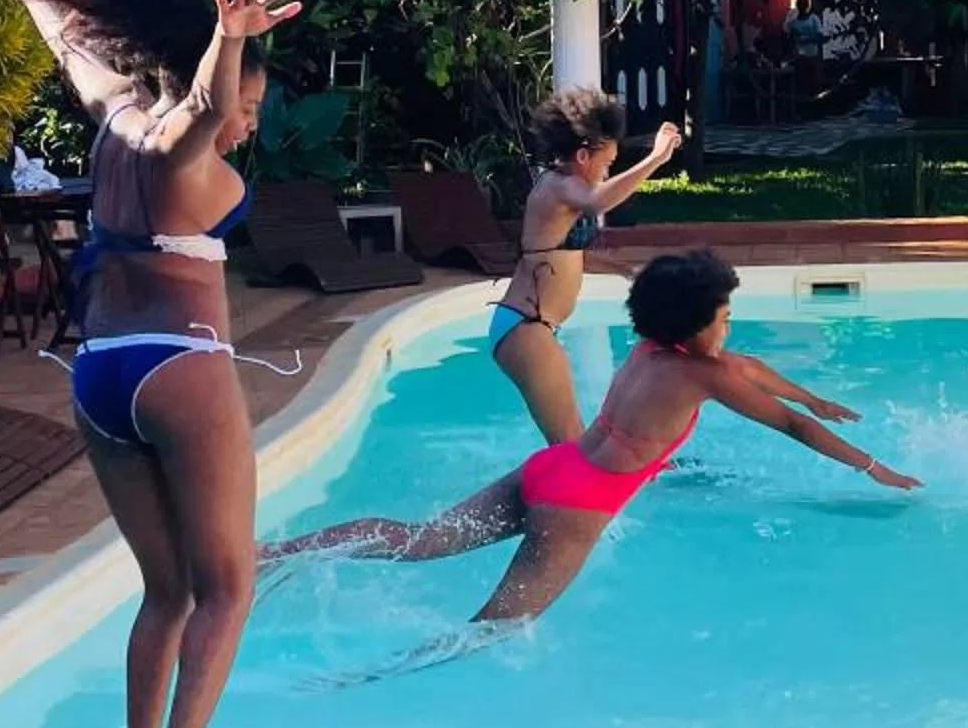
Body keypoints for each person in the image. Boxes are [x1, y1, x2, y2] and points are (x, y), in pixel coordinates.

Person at [0, 0, 302, 728]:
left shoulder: (118, 125)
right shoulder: (179, 142)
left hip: (98, 376)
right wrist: (225, 43)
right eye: (251, 109)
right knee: (230, 585)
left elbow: (78, 61)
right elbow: (207, 110)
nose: (246, 126)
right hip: (176, 365)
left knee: (166, 590)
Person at [274, 249, 918, 683]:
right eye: (722, 317)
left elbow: (748, 367)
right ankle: (368, 679)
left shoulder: (652, 348)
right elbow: (789, 426)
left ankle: (272, 553)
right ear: (694, 328)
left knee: (421, 540)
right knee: (498, 624)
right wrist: (871, 466)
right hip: (575, 508)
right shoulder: (703, 374)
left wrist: (811, 394)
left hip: (550, 468)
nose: (729, 326)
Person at [491, 89, 684, 442]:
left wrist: (625, 271)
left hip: (531, 326)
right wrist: (656, 158)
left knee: (575, 438)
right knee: (569, 442)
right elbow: (598, 202)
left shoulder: (563, 188)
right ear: (582, 155)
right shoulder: (560, 186)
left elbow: (563, 253)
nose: (607, 172)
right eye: (607, 164)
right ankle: (536, 496)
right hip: (525, 327)